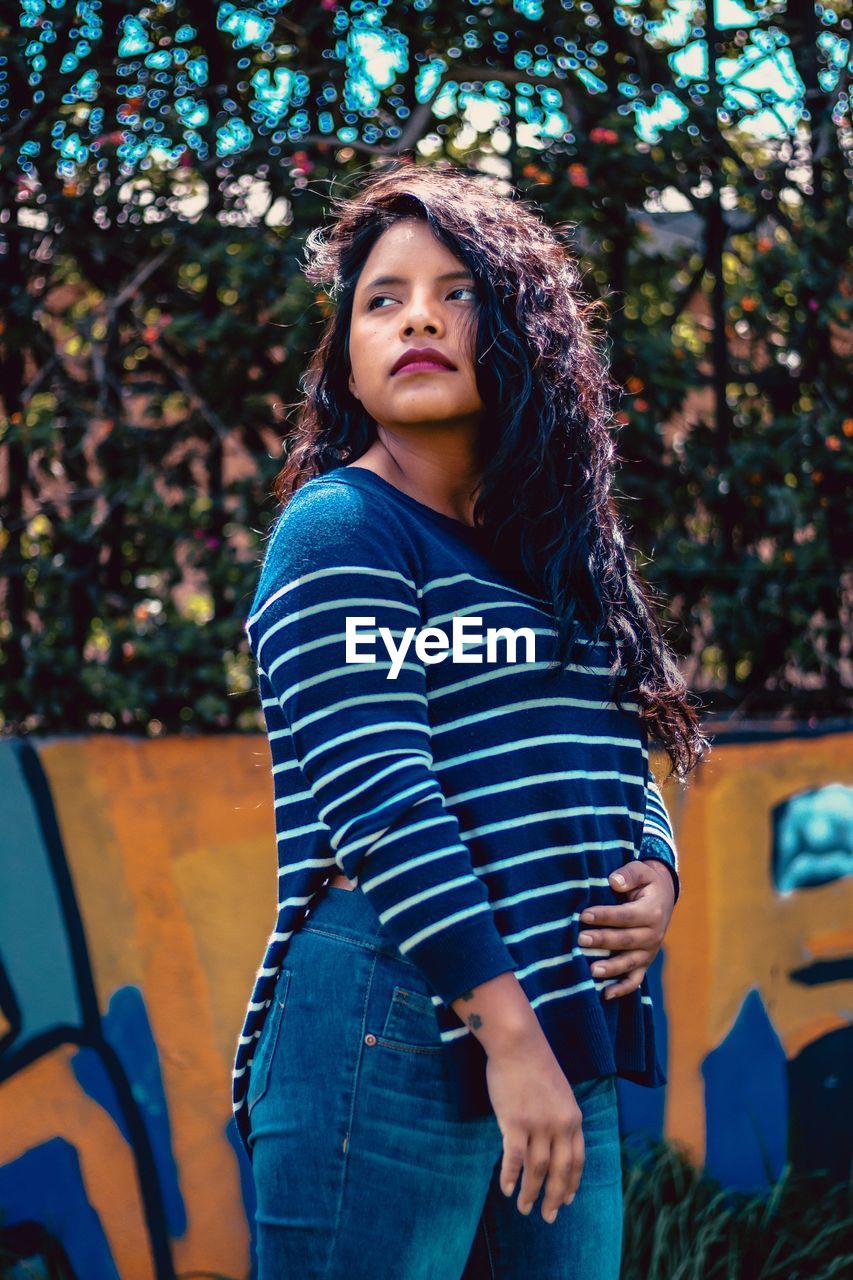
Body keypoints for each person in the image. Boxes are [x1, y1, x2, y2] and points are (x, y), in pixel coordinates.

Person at [232, 160, 707, 1280]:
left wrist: (657, 868)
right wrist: (509, 1036)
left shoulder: (555, 553)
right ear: (346, 354)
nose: (418, 319)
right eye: (381, 299)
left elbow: (609, 749)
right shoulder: (341, 528)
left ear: (519, 329)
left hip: (560, 1015)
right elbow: (380, 803)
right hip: (390, 1009)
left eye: (457, 291)